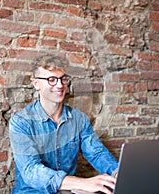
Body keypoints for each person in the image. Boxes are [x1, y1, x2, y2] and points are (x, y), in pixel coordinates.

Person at [9, 54, 118, 194]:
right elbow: (31, 171)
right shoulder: (21, 122)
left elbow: (96, 153)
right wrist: (83, 183)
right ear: (36, 83)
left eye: (63, 79)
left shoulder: (79, 119)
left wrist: (116, 172)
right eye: (52, 79)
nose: (60, 85)